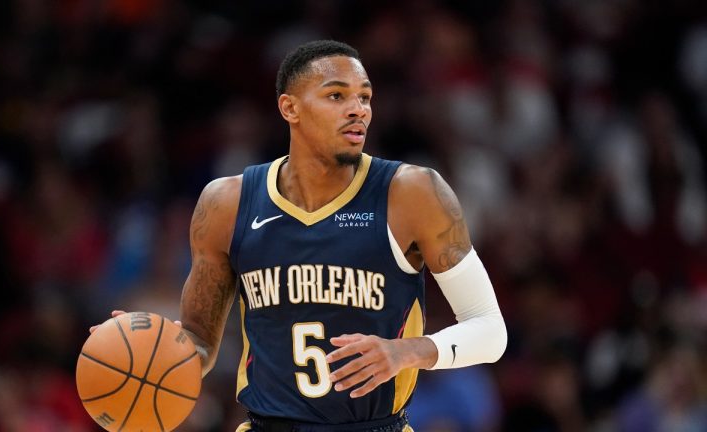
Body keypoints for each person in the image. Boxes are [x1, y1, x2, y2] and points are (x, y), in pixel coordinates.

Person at [95, 40, 507, 431]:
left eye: (364, 97)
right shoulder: (227, 203)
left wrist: (406, 351)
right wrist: (150, 352)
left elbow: (490, 329)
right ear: (289, 107)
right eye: (336, 96)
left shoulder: (413, 193)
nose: (358, 110)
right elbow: (200, 343)